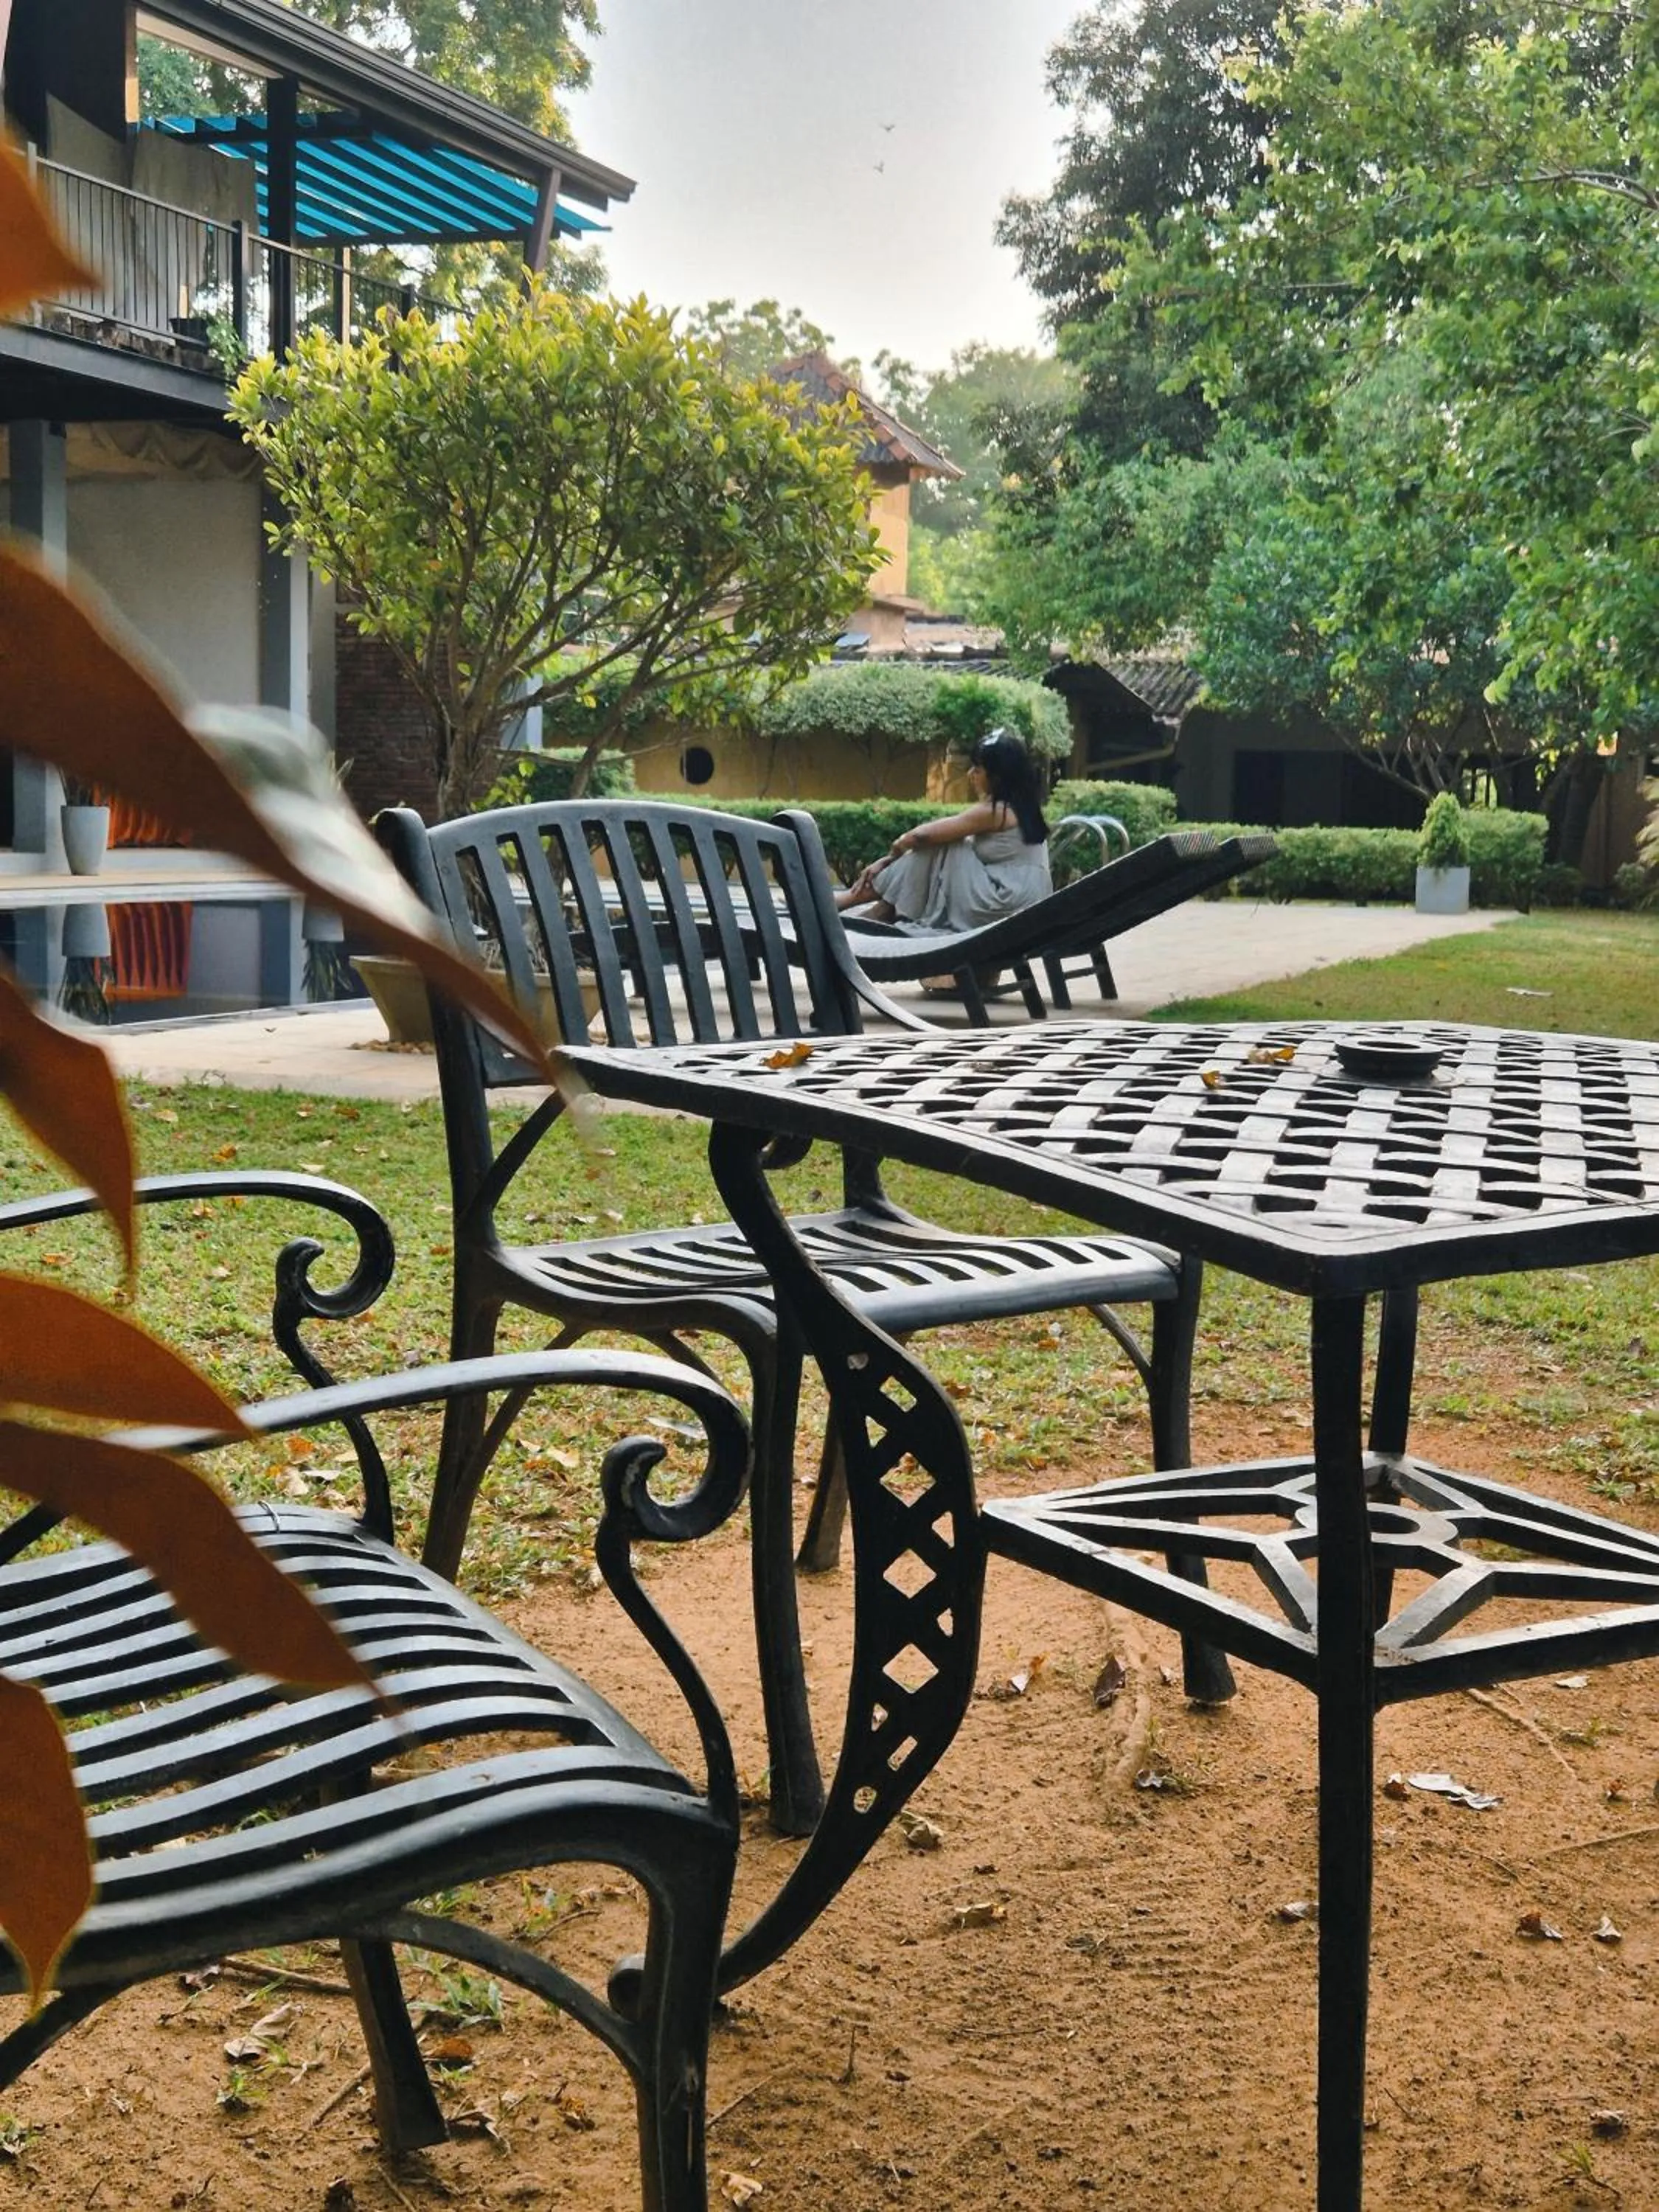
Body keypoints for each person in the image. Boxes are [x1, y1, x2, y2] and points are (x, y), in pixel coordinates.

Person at [837, 726, 1052, 931]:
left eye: (977, 770)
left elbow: (921, 836)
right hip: (1025, 900)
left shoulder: (996, 811)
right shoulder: (1024, 807)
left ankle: (857, 901)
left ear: (997, 778)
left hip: (1004, 902)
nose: (970, 775)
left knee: (943, 843)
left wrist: (889, 858)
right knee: (943, 842)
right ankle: (884, 909)